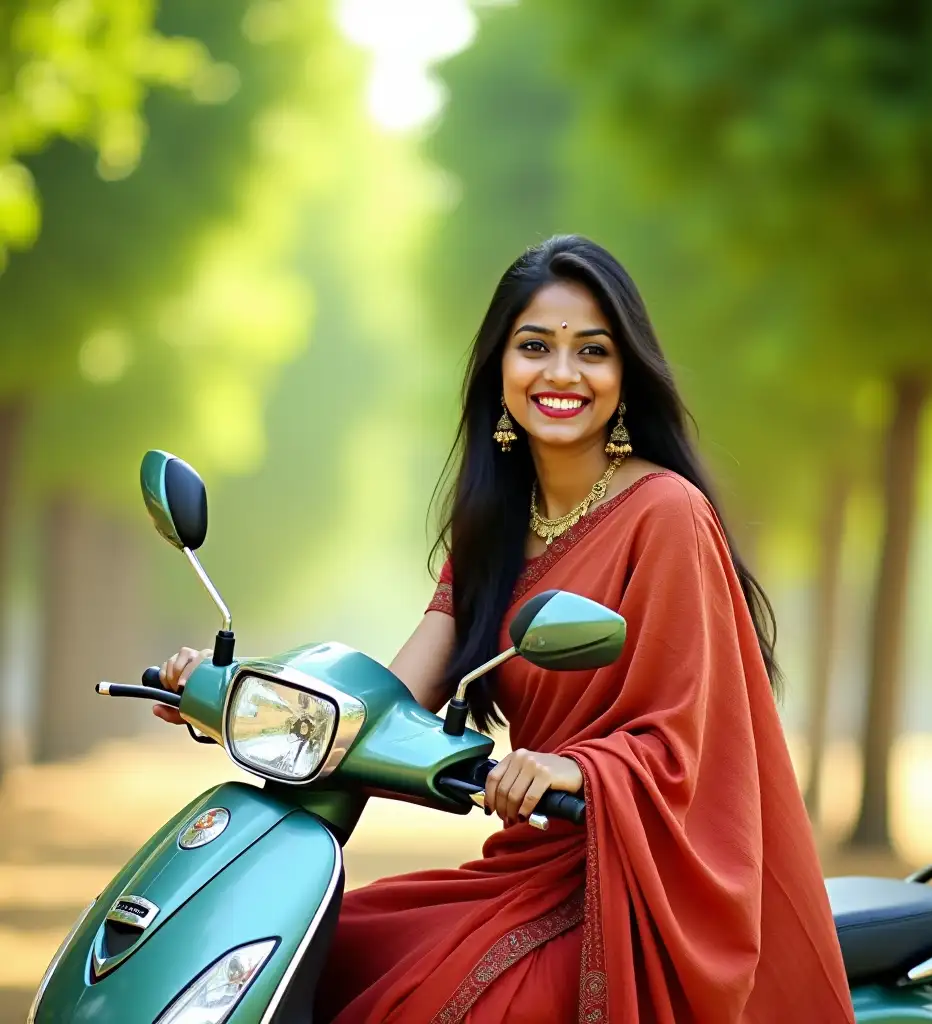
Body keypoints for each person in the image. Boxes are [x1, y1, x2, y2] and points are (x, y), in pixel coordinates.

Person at [156, 235, 855, 1023]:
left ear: (625, 377)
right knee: (314, 952)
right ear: (500, 367)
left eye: (592, 350)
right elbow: (390, 690)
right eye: (535, 347)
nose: (561, 373)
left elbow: (691, 744)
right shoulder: (495, 523)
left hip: (636, 886)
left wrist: (576, 771)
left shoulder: (666, 515)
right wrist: (239, 690)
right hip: (529, 869)